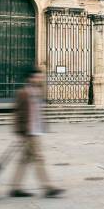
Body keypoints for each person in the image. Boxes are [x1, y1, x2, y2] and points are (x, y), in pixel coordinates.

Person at [10, 67, 64, 198]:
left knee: (24, 160)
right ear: (31, 78)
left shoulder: (38, 92)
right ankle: (48, 187)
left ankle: (15, 187)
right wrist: (20, 132)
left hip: (36, 131)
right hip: (29, 133)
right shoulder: (23, 93)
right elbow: (18, 114)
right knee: (39, 158)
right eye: (39, 76)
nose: (41, 78)